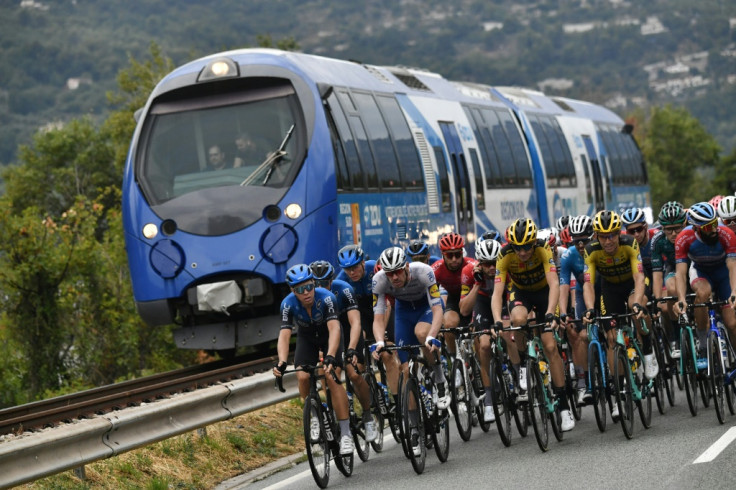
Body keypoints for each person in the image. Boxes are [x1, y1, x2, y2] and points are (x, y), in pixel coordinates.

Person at [490, 217, 575, 432]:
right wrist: (497, 321)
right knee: (517, 321)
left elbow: (554, 283)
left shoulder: (543, 249)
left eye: (527, 247)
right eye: (518, 248)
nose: (523, 252)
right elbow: (498, 292)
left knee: (549, 346)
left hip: (545, 292)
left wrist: (549, 313)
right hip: (522, 293)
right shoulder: (504, 254)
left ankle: (564, 405)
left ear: (534, 242)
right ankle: (521, 368)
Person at [582, 210, 658, 420]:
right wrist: (589, 308)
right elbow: (588, 283)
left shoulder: (629, 243)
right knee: (611, 338)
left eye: (612, 235)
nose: (608, 240)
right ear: (597, 236)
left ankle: (649, 351)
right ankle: (620, 394)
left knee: (637, 309)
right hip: (610, 290)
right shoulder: (591, 250)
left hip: (632, 285)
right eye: (603, 236)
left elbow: (639, 275)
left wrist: (638, 305)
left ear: (619, 233)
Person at [371, 247, 446, 457]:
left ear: (406, 267)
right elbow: (378, 318)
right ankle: (414, 428)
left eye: (397, 271)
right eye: (389, 273)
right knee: (405, 372)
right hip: (403, 312)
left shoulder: (424, 271)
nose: (394, 277)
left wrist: (432, 335)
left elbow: (438, 309)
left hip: (425, 308)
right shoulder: (379, 281)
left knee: (422, 332)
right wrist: (378, 341)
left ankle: (439, 379)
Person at [273, 264, 354, 455]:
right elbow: (284, 335)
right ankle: (314, 417)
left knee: (332, 379)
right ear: (293, 291)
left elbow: (335, 329)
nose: (307, 292)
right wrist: (282, 362)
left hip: (328, 335)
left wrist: (331, 356)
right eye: (300, 290)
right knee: (302, 376)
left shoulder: (327, 298)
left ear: (314, 283)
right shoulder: (287, 304)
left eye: (309, 286)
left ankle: (345, 434)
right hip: (306, 337)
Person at [310, 260, 377, 442]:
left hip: (348, 332)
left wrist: (352, 349)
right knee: (325, 372)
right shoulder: (310, 297)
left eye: (325, 283)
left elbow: (356, 323)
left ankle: (368, 415)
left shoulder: (344, 289)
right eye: (317, 283)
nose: (322, 287)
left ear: (331, 280)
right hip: (328, 335)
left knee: (354, 375)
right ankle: (335, 408)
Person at [673, 202, 736, 363]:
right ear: (696, 228)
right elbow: (680, 273)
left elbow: (732, 266)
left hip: (723, 274)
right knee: (702, 294)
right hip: (701, 273)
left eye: (715, 223)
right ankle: (702, 343)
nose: (714, 229)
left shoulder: (726, 233)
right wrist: (681, 298)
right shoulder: (684, 238)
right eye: (708, 227)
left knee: (732, 322)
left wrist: (734, 292)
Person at [459, 237, 504, 422]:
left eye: (495, 263)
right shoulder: (469, 272)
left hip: (504, 300)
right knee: (484, 346)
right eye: (487, 265)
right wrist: (477, 284)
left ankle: (519, 373)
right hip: (483, 303)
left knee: (509, 334)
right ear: (479, 263)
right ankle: (489, 401)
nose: (492, 268)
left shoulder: (506, 268)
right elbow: (464, 309)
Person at [559, 215, 595, 404]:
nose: (581, 245)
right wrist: (563, 312)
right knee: (582, 336)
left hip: (604, 290)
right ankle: (587, 382)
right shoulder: (568, 255)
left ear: (593, 237)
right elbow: (564, 286)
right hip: (582, 293)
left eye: (585, 240)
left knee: (611, 332)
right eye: (576, 241)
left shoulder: (600, 249)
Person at [651, 201, 687, 358]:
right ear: (662, 228)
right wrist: (658, 301)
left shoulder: (691, 233)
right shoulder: (658, 241)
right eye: (668, 230)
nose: (673, 234)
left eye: (677, 228)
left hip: (694, 267)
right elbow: (657, 274)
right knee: (671, 289)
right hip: (672, 269)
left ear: (684, 223)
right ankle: (677, 334)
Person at [432, 232, 476, 359]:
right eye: (449, 256)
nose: (454, 259)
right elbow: (430, 299)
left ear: (462, 252)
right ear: (442, 255)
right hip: (454, 298)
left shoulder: (471, 265)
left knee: (477, 329)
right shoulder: (436, 270)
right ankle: (454, 358)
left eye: (457, 254)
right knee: (449, 325)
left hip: (472, 299)